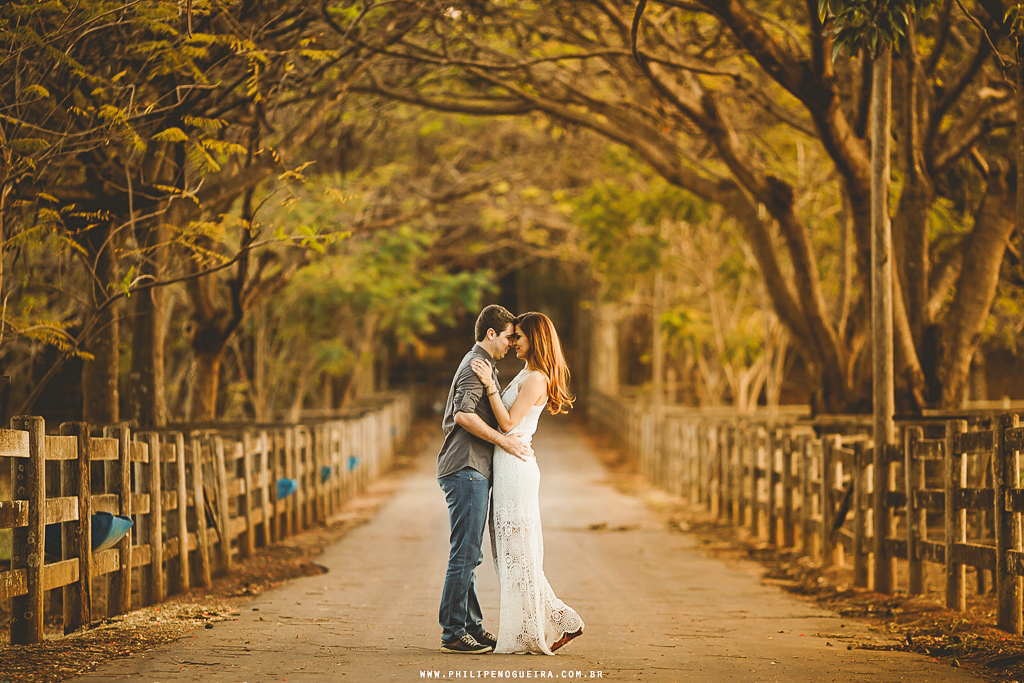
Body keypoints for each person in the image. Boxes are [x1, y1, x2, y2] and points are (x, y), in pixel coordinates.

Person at [470, 311, 585, 655]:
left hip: (516, 470)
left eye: (518, 336)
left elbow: (507, 424)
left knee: (519, 554)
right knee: (511, 555)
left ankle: (557, 620)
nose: (513, 341)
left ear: (535, 339)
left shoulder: (537, 378)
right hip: (507, 466)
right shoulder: (525, 372)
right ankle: (555, 620)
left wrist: (489, 384)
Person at [437, 304, 534, 654]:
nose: (512, 343)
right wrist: (504, 441)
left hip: (474, 468)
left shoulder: (486, 365)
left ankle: (472, 627)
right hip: (466, 467)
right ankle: (452, 631)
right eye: (508, 336)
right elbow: (462, 416)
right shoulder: (474, 366)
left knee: (471, 553)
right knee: (465, 553)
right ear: (491, 333)